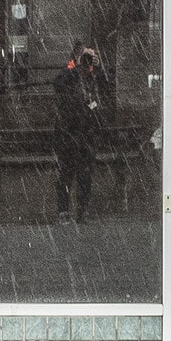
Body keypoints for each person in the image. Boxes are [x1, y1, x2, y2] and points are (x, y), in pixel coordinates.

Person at [52, 42, 103, 226]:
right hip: (68, 133)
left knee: (85, 175)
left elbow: (102, 93)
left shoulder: (91, 77)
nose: (88, 61)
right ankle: (64, 212)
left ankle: (82, 212)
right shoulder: (69, 73)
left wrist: (96, 66)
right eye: (85, 57)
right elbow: (57, 83)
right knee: (66, 174)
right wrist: (77, 65)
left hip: (86, 134)